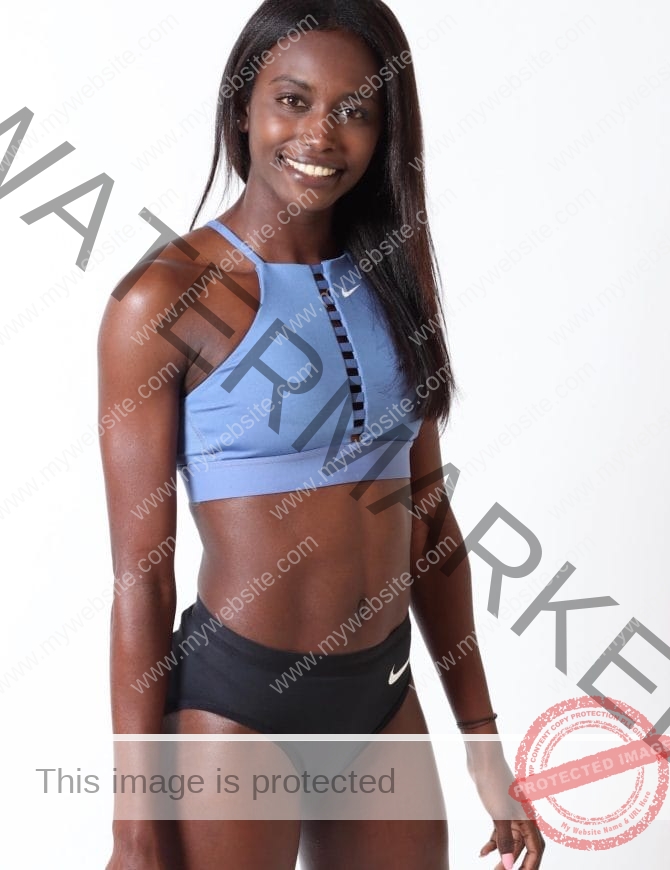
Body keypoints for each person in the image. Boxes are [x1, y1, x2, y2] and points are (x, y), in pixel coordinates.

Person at [98, 1, 545, 867]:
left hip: (381, 699)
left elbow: (430, 523)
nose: (322, 134)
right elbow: (140, 585)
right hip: (235, 703)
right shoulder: (161, 300)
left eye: (356, 111)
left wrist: (482, 743)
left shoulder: (395, 277)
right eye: (294, 100)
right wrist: (134, 826)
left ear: (386, 130)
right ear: (243, 108)